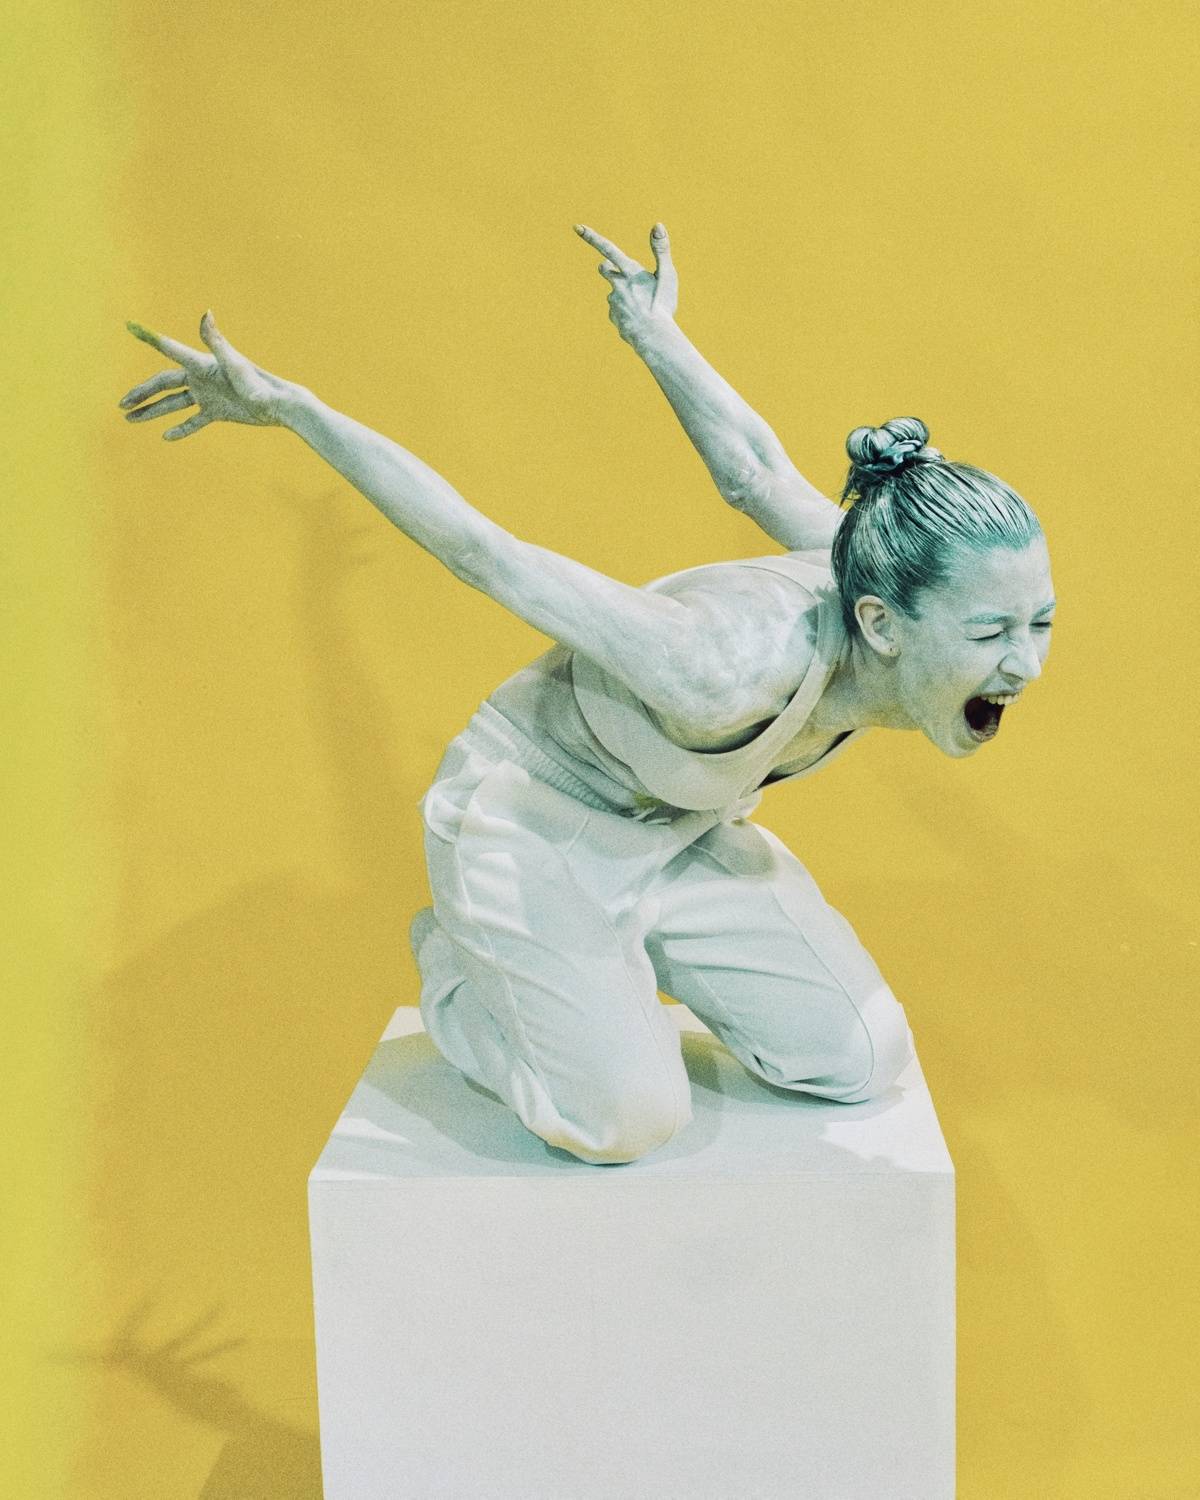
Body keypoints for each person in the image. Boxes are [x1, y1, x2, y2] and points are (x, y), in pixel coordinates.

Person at [120, 222, 1055, 1166]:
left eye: (1040, 623)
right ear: (883, 625)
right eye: (991, 634)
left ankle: (612, 958)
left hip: (673, 829)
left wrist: (653, 330)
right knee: (625, 1122)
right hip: (529, 825)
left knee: (860, 1056)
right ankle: (464, 971)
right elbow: (485, 553)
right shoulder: (715, 666)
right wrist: (293, 409)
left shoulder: (867, 554)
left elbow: (755, 470)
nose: (1025, 664)